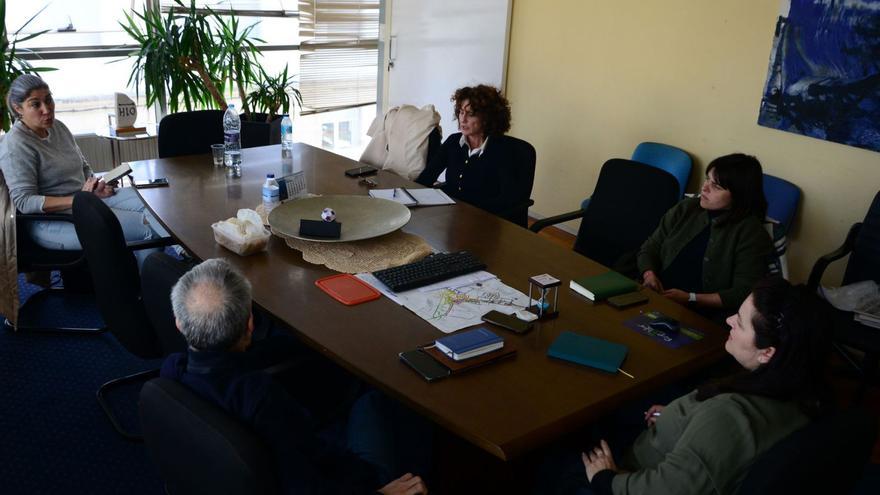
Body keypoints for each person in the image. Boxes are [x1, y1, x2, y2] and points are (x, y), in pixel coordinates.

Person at [162, 258, 430, 495]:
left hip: (226, 476)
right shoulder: (261, 397)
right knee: (377, 396)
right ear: (250, 325)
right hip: (351, 479)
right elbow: (307, 486)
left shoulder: (172, 371)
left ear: (178, 322)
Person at [542, 277, 831, 495]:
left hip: (630, 474)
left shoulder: (727, 416)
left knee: (549, 455)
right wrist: (678, 417)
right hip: (671, 439)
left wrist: (606, 480)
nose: (729, 320)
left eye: (740, 323)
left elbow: (670, 489)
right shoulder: (800, 391)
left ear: (767, 352)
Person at [0, 74, 167, 260]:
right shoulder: (15, 145)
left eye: (48, 100)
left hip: (86, 200)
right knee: (148, 229)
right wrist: (80, 199)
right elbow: (24, 202)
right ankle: (151, 280)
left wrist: (96, 185)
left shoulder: (58, 128)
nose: (46, 110)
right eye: (35, 104)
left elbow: (84, 166)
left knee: (155, 205)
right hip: (52, 222)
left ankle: (169, 262)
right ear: (18, 108)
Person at [637, 153, 772, 313]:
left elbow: (742, 293)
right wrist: (649, 275)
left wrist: (691, 298)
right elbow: (650, 248)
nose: (704, 187)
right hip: (656, 294)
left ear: (739, 194)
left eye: (716, 186)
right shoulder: (686, 208)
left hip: (702, 313)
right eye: (707, 179)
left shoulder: (751, 233)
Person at [415, 84, 533, 223]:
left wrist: (464, 214)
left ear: (488, 117)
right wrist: (408, 197)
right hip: (452, 220)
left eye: (470, 114)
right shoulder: (453, 142)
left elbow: (506, 201)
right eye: (460, 112)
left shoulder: (505, 151)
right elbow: (427, 176)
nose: (462, 119)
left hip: (488, 225)